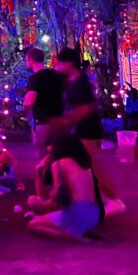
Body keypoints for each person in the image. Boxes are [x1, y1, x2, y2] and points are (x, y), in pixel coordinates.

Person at [54, 47, 124, 214]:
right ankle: (90, 200)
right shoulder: (70, 81)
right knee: (82, 166)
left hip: (88, 131)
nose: (57, 65)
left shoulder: (81, 81)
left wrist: (67, 121)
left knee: (93, 167)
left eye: (60, 62)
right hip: (78, 131)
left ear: (69, 63)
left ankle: (114, 199)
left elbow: (88, 107)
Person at [26, 134, 103, 241]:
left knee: (33, 225)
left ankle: (68, 235)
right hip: (94, 213)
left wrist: (41, 203)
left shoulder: (58, 164)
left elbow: (56, 196)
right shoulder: (84, 164)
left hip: (77, 213)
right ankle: (80, 230)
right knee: (45, 212)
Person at [22, 46, 63, 148]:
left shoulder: (35, 78)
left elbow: (29, 102)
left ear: (31, 60)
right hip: (59, 122)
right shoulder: (55, 74)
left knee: (43, 157)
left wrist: (24, 105)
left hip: (43, 123)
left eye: (27, 60)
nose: (26, 63)